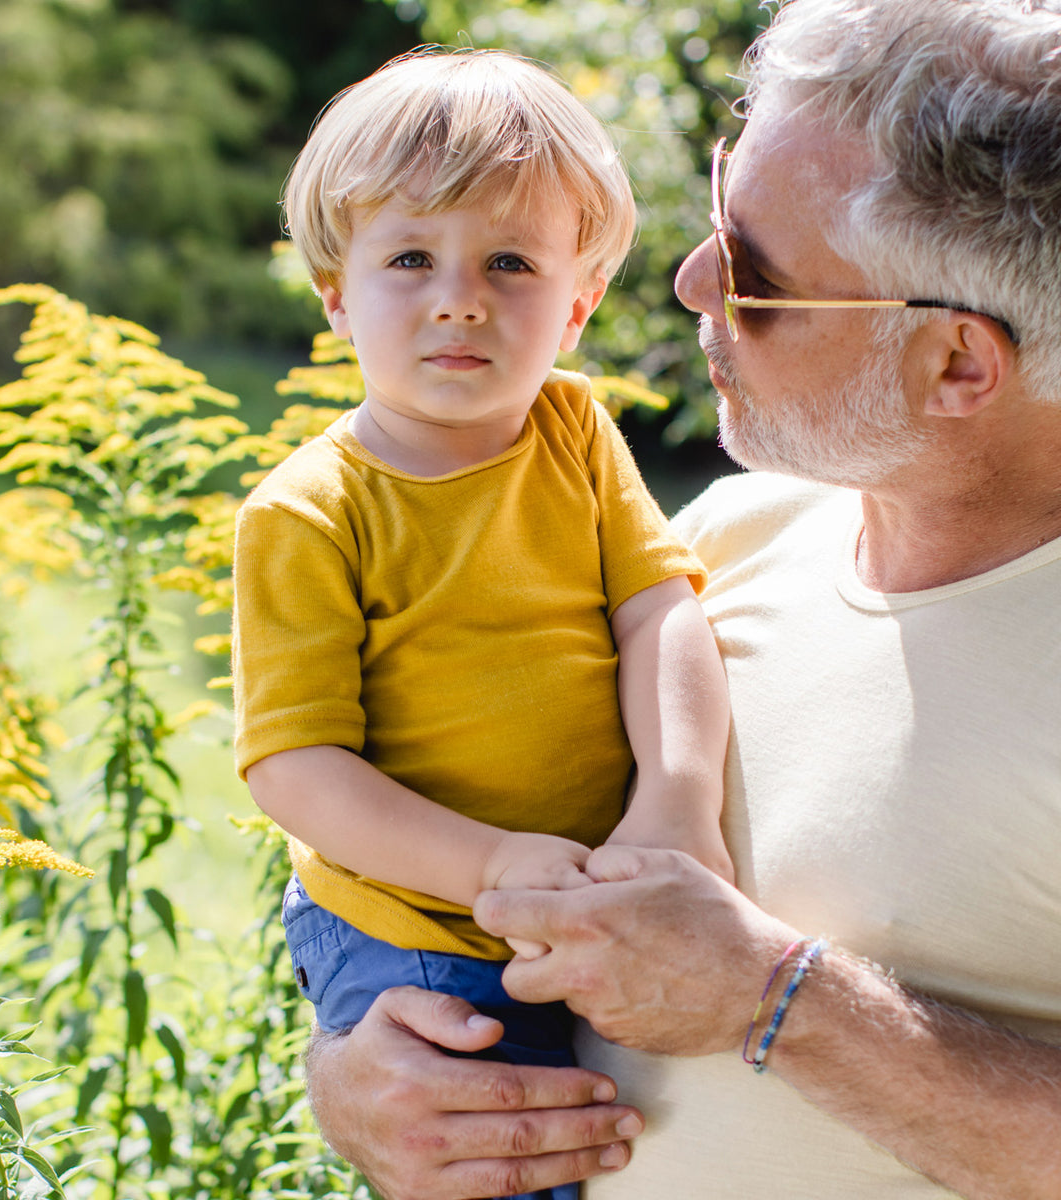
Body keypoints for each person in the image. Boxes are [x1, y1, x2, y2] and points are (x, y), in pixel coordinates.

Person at [299, 2, 1061, 1198]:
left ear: (957, 363)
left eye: (759, 273)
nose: (691, 279)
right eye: (721, 207)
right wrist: (356, 1070)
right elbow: (377, 823)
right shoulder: (729, 534)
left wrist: (777, 1000)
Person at [231, 47, 733, 1198]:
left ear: (579, 301)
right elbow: (297, 768)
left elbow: (660, 610)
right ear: (335, 292)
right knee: (504, 1145)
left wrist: (677, 796)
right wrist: (494, 864)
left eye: (511, 261)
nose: (460, 296)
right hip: (423, 929)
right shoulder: (311, 510)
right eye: (410, 257)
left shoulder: (571, 429)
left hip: (589, 882)